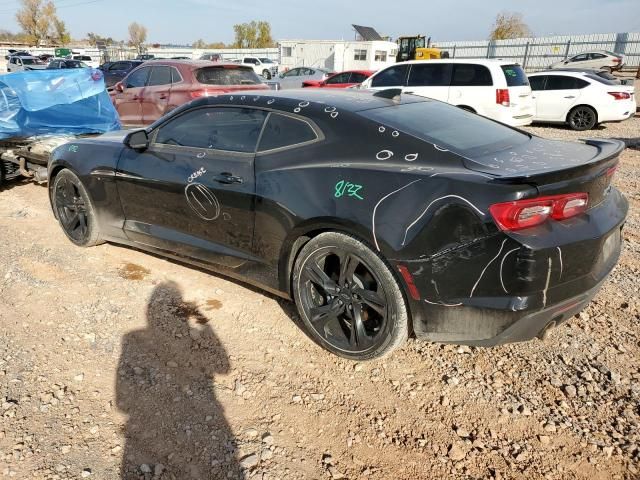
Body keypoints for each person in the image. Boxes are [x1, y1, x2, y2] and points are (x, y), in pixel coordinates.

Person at [116, 281, 240, 479]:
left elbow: (122, 401)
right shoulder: (132, 338)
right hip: (205, 417)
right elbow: (223, 367)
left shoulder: (131, 338)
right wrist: (200, 319)